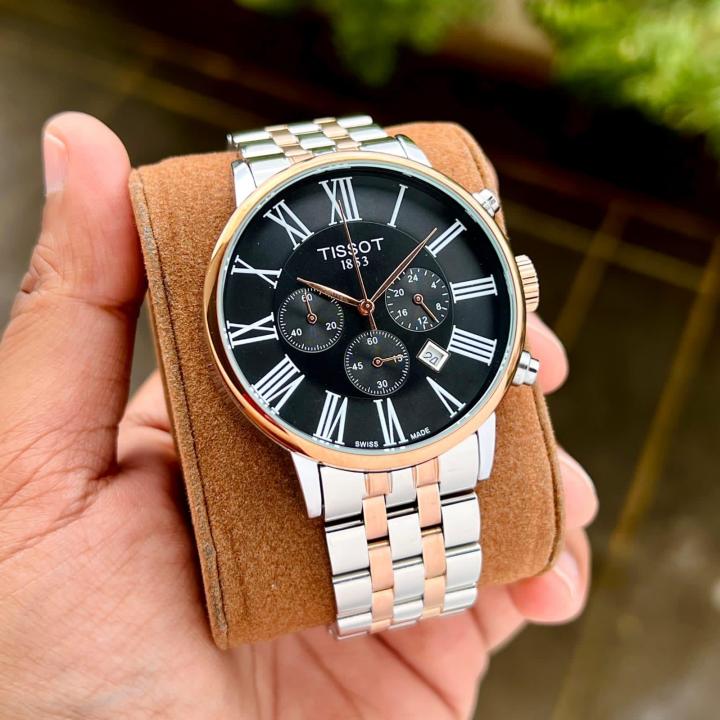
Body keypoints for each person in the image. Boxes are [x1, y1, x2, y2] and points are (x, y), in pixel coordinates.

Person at [0, 113, 597, 719]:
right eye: (355, 303)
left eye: (371, 301)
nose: (367, 307)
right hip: (322, 458)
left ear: (518, 283)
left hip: (453, 419)